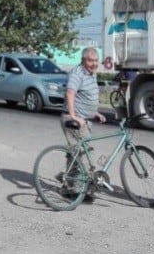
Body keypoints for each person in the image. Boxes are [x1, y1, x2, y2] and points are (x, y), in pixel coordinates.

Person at [60, 47, 106, 202]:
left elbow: (85, 96)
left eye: (95, 61)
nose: (93, 64)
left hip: (84, 119)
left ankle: (69, 187)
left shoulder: (90, 74)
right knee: (84, 154)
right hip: (74, 120)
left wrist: (95, 113)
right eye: (90, 60)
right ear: (83, 60)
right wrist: (73, 116)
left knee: (75, 153)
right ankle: (78, 191)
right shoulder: (78, 73)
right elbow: (70, 93)